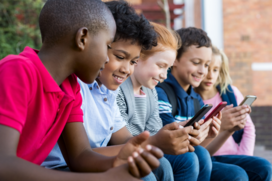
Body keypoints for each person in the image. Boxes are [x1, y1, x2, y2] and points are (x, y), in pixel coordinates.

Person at [0, 0, 163, 180]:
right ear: (82, 38)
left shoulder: (70, 88)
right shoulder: (17, 70)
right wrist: (104, 178)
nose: (106, 59)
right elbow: (4, 164)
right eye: (107, 46)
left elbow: (80, 157)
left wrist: (116, 163)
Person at [116, 23, 214, 181]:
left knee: (198, 155)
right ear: (138, 57)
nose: (163, 75)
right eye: (160, 66)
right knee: (167, 164)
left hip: (147, 145)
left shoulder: (151, 91)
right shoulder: (120, 89)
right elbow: (120, 137)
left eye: (167, 68)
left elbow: (154, 129)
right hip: (124, 149)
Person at [194, 45, 272, 181]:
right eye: (208, 68)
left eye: (215, 70)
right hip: (208, 156)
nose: (210, 75)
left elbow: (248, 128)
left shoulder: (231, 93)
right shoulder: (191, 99)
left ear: (221, 71)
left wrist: (245, 156)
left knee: (264, 167)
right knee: (236, 174)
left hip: (234, 155)